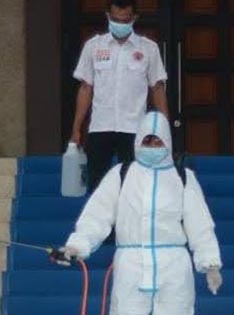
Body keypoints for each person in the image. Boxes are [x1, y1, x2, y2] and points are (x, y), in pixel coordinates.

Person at [63, 111, 223, 315]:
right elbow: (98, 215)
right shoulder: (121, 175)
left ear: (167, 142)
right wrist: (78, 245)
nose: (151, 146)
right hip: (131, 262)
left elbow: (200, 222)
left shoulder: (183, 178)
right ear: (137, 141)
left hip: (173, 262)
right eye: (146, 141)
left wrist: (209, 262)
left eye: (157, 141)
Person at [69, 0, 170, 192]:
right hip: (100, 126)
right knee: (97, 186)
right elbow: (85, 88)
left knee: (133, 186)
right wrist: (76, 128)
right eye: (116, 20)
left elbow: (157, 88)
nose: (120, 24)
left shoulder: (148, 48)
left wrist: (164, 127)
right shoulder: (93, 46)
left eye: (125, 21)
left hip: (134, 128)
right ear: (108, 16)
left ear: (134, 18)